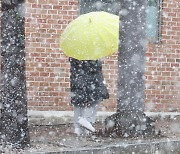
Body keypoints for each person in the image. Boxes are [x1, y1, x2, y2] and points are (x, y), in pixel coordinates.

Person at [69, 57, 109, 136]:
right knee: (95, 100)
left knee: (79, 102)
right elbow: (94, 69)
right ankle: (87, 121)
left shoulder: (75, 54)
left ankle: (78, 127)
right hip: (91, 81)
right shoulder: (92, 55)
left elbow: (75, 68)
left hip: (78, 80)